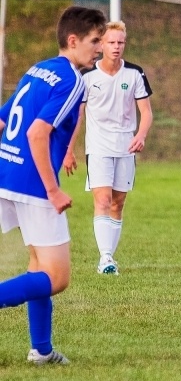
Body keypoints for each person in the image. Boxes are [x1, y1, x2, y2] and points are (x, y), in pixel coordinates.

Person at [0, 6, 106, 364]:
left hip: (6, 175)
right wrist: (53, 189)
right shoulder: (72, 81)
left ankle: (42, 350)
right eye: (95, 42)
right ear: (73, 40)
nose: (100, 50)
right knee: (57, 276)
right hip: (33, 184)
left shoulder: (38, 69)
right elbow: (37, 132)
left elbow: (2, 121)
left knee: (37, 264)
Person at [63, 21, 153, 275]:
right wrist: (69, 150)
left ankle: (109, 255)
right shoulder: (87, 77)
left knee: (118, 202)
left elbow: (146, 112)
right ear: (101, 44)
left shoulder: (135, 74)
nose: (116, 47)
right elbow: (77, 116)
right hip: (99, 146)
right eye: (111, 42)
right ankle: (106, 259)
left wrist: (141, 135)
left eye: (120, 42)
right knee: (102, 199)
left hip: (125, 145)